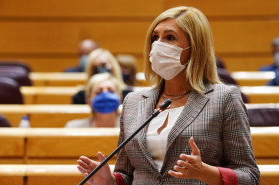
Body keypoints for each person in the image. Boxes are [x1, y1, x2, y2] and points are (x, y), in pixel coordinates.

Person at [77, 6, 259, 185]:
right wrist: (108, 180)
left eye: (170, 37)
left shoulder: (224, 99)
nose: (158, 45)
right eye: (155, 38)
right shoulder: (133, 102)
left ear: (195, 46)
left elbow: (249, 176)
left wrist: (206, 172)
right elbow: (126, 175)